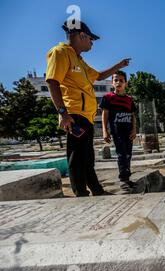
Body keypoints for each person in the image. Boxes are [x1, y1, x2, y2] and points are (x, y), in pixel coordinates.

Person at [45, 20, 131, 196]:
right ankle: (80, 192)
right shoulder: (61, 52)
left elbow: (98, 76)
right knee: (77, 156)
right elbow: (52, 81)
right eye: (91, 39)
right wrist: (63, 113)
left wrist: (118, 66)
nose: (92, 43)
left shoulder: (80, 61)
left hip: (86, 116)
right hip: (74, 114)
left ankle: (96, 190)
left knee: (88, 157)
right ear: (82, 36)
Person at [100, 71, 137, 189]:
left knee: (128, 154)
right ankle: (123, 179)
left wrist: (134, 130)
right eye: (116, 80)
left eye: (121, 80)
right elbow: (104, 114)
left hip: (128, 132)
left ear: (126, 83)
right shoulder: (108, 98)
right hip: (117, 132)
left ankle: (127, 176)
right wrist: (105, 131)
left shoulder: (129, 99)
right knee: (121, 154)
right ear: (112, 83)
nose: (118, 82)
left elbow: (133, 116)